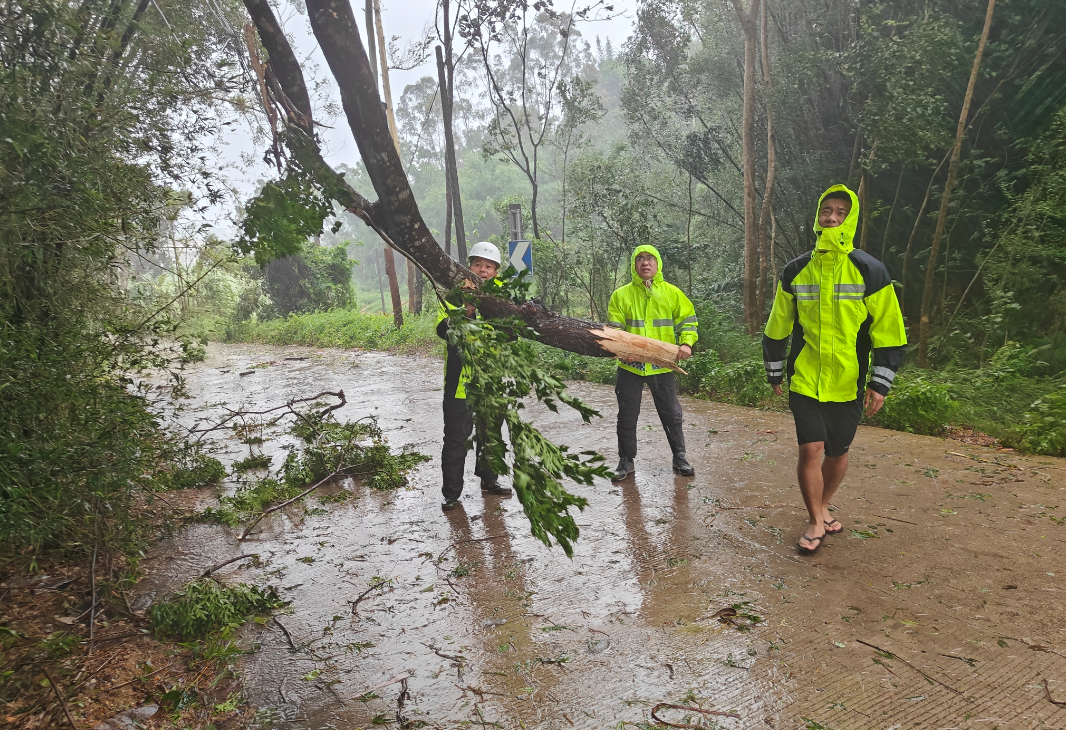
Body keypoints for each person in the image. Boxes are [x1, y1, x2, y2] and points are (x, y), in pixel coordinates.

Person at [763, 184, 907, 554]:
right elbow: (778, 323)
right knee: (811, 449)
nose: (832, 217)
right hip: (807, 377)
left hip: (848, 380)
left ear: (851, 219)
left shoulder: (870, 269)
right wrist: (775, 369)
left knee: (837, 453)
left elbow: (889, 329)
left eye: (841, 212)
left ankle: (823, 504)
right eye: (827, 210)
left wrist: (880, 381)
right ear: (817, 217)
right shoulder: (796, 270)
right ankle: (815, 520)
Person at [607, 245, 698, 480]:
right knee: (627, 414)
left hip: (662, 364)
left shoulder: (672, 293)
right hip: (630, 366)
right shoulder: (621, 295)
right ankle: (626, 460)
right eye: (640, 259)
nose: (645, 263)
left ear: (658, 264)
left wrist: (686, 343)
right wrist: (620, 350)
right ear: (633, 265)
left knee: (671, 413)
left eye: (650, 258)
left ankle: (679, 457)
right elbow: (615, 329)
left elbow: (688, 319)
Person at [437, 241, 512, 511]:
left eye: (488, 266)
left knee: (491, 434)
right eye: (478, 264)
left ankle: (489, 480)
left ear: (496, 271)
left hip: (491, 382)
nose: (483, 270)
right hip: (460, 383)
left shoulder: (503, 298)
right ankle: (451, 494)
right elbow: (443, 330)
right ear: (468, 268)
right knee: (456, 437)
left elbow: (512, 333)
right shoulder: (454, 295)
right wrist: (465, 312)